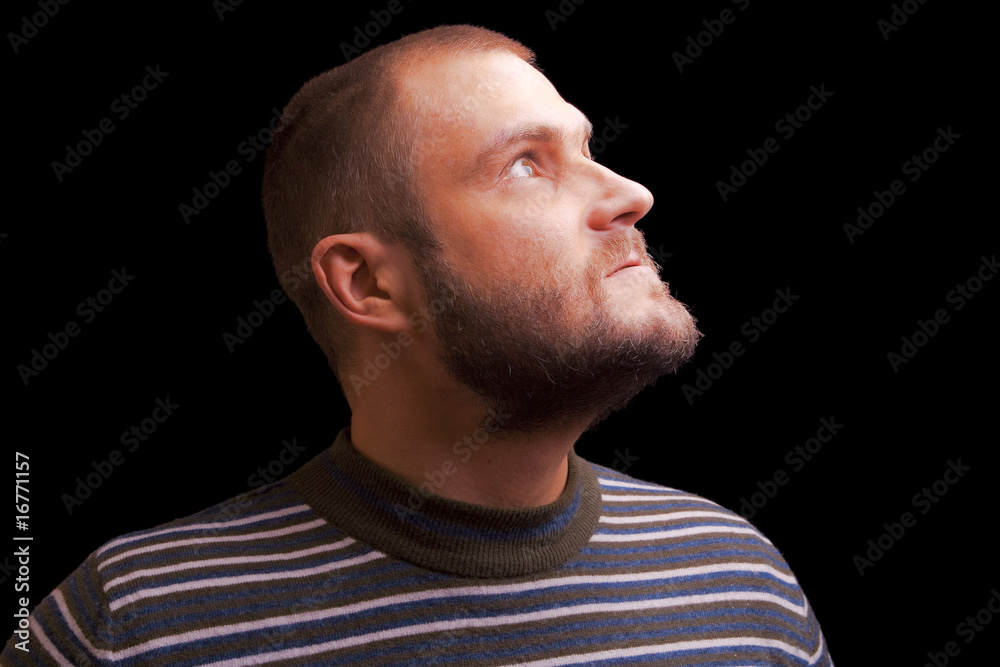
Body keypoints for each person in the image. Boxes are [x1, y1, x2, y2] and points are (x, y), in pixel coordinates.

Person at [2, 25, 832, 666]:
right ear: (367, 284)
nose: (630, 194)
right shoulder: (129, 623)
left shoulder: (740, 579)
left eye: (585, 149)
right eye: (525, 166)